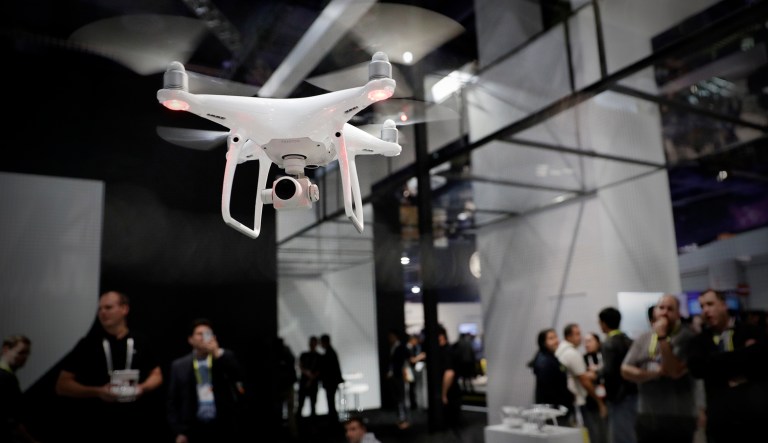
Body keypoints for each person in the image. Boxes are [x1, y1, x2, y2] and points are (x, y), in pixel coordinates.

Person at [55, 290, 164, 443]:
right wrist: (98, 392)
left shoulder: (141, 341)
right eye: (100, 309)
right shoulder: (87, 344)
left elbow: (157, 374)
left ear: (124, 309)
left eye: (108, 307)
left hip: (136, 424)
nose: (102, 313)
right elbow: (62, 385)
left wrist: (143, 388)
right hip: (98, 426)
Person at [687, 289, 768, 443]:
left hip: (757, 418)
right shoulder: (699, 341)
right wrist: (744, 355)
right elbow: (697, 368)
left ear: (723, 305)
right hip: (721, 422)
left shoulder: (751, 330)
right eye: (702, 306)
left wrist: (714, 362)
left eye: (710, 304)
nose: (705, 310)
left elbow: (762, 361)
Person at [621, 294, 698, 443]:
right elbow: (625, 369)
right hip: (647, 415)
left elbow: (673, 371)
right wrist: (654, 374)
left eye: (670, 309)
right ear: (654, 311)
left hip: (679, 416)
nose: (664, 312)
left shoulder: (687, 337)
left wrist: (662, 338)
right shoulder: (644, 337)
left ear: (677, 314)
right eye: (661, 308)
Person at [167, 318, 246, 443]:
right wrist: (179, 431)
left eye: (207, 333)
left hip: (222, 426)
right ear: (190, 339)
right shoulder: (179, 365)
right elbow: (172, 401)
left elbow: (239, 377)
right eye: (199, 334)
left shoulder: (224, 358)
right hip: (192, 428)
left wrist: (216, 352)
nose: (203, 337)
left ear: (213, 337)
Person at [555, 323, 607, 432]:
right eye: (578, 334)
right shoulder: (572, 353)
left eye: (590, 341)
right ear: (569, 337)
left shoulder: (561, 350)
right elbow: (584, 380)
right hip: (579, 401)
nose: (582, 338)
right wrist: (599, 403)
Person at [597, 306, 638, 443]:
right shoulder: (628, 340)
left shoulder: (608, 344)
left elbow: (609, 371)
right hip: (633, 392)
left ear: (603, 323)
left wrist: (597, 372)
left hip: (618, 397)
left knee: (621, 435)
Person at [526, 328, 574, 426]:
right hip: (554, 412)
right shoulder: (545, 362)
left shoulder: (549, 358)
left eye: (556, 337)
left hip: (556, 410)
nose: (556, 341)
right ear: (543, 342)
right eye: (551, 338)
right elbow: (551, 388)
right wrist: (568, 397)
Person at [1, 335, 40, 443]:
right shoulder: (6, 378)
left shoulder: (8, 377)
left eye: (27, 354)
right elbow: (10, 419)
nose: (24, 357)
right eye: (21, 352)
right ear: (6, 349)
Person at [582, 332, 608, 443]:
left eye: (590, 341)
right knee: (595, 433)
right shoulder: (583, 359)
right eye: (585, 342)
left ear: (598, 342)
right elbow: (582, 377)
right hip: (591, 401)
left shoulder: (606, 356)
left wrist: (598, 373)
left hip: (609, 399)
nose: (587, 344)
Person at [436, 324, 462, 432]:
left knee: (451, 427)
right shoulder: (445, 350)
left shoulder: (446, 351)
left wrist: (444, 394)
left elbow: (449, 373)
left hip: (451, 392)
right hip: (451, 391)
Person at [385, 328, 411, 430]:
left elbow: (402, 362)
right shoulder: (393, 347)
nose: (390, 338)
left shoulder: (401, 347)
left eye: (391, 336)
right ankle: (401, 418)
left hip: (400, 376)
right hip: (395, 376)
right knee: (398, 398)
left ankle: (404, 419)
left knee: (402, 398)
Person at [274, 337, 298, 439]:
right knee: (289, 410)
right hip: (286, 385)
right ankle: (292, 433)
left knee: (283, 410)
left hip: (281, 386)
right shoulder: (286, 353)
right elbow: (293, 361)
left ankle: (284, 432)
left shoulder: (275, 355)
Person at [319, 333, 344, 422]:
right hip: (331, 383)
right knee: (331, 403)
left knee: (331, 404)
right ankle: (333, 422)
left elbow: (330, 369)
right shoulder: (330, 352)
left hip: (330, 383)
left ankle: (333, 422)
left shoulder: (329, 353)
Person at [297, 335, 321, 418]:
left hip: (313, 384)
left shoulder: (318, 356)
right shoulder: (304, 355)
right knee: (301, 404)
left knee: (312, 405)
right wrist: (308, 374)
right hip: (305, 383)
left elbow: (319, 370)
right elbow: (300, 366)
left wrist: (311, 377)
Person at [406, 334, 425, 410]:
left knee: (412, 387)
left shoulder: (411, 348)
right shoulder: (408, 348)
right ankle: (413, 404)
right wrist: (420, 357)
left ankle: (414, 404)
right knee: (411, 387)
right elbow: (411, 360)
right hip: (409, 370)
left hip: (411, 370)